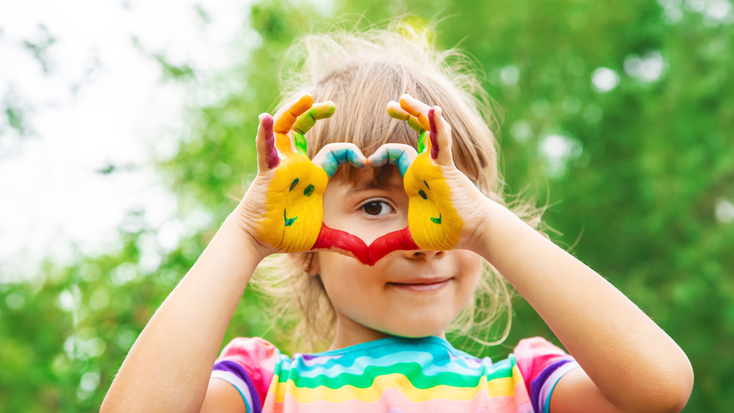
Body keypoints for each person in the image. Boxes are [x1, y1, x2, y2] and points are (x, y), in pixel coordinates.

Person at [101, 22, 693, 413]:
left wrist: (486, 226)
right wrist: (244, 234)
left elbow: (660, 388)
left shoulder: (525, 388)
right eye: (377, 205)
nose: (426, 242)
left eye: (451, 206)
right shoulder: (262, 389)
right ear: (304, 242)